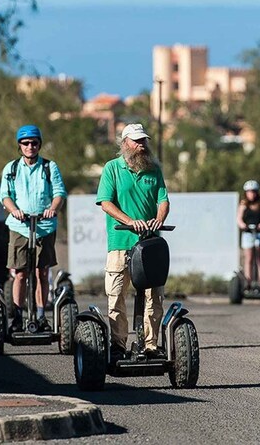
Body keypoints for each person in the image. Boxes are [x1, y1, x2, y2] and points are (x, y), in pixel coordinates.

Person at [96, 122, 169, 362]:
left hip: (150, 244)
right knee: (116, 295)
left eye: (143, 140)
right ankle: (118, 344)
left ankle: (150, 345)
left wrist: (158, 219)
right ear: (125, 143)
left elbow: (163, 200)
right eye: (136, 140)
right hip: (120, 241)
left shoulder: (153, 169)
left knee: (153, 296)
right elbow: (106, 202)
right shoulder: (112, 169)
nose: (141, 144)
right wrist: (130, 221)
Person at [0, 124, 66, 333]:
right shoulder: (11, 168)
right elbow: (5, 196)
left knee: (42, 271)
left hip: (44, 226)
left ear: (39, 145)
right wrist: (14, 210)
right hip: (19, 226)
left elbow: (59, 193)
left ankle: (40, 315)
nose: (30, 146)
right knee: (20, 273)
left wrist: (53, 209)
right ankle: (18, 316)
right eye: (26, 143)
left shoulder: (49, 167)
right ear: (20, 146)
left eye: (34, 143)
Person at [236, 180, 260, 290]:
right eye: (249, 192)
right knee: (249, 258)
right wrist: (243, 225)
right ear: (246, 193)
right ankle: (248, 282)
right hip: (248, 234)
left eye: (254, 191)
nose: (252, 194)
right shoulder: (243, 204)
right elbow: (239, 219)